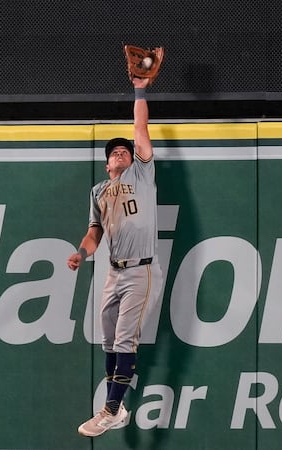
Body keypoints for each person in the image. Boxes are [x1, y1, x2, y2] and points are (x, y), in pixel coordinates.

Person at [68, 76, 163, 437]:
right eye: (114, 152)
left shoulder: (142, 174)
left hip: (141, 269)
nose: (120, 152)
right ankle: (118, 407)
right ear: (107, 164)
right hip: (113, 271)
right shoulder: (98, 191)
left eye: (124, 150)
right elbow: (95, 233)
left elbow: (140, 126)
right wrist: (80, 253)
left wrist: (140, 89)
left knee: (124, 341)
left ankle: (109, 410)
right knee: (108, 341)